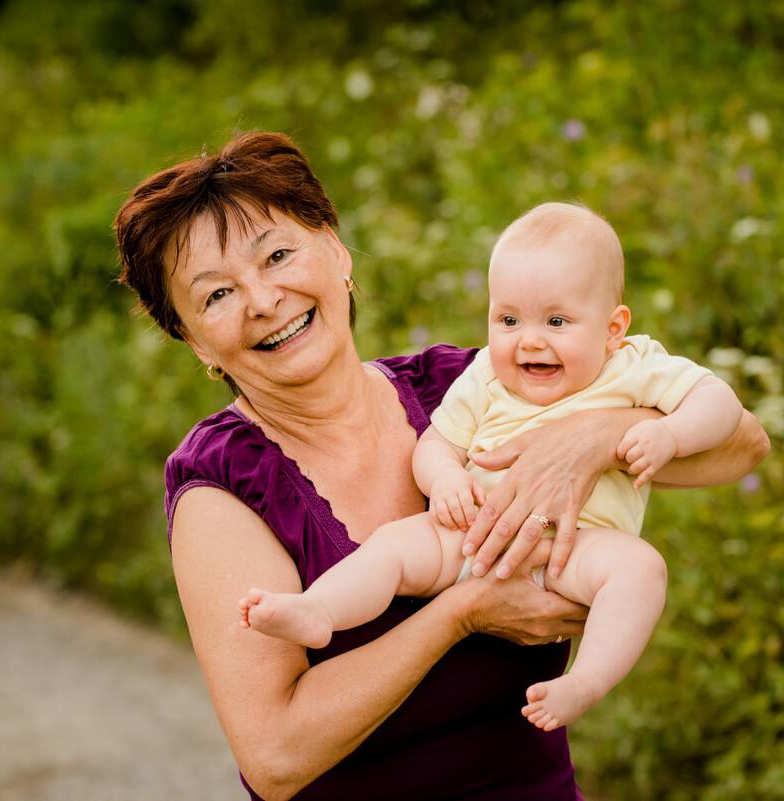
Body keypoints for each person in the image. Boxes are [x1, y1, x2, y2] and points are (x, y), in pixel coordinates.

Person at [113, 130, 771, 801]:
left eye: (277, 254)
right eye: (216, 295)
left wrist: (600, 433)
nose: (261, 299)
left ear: (336, 251)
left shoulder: (469, 388)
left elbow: (742, 445)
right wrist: (464, 610)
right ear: (196, 342)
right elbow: (276, 758)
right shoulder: (223, 481)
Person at [238, 202, 745, 732]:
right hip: (472, 539)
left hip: (574, 552)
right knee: (392, 547)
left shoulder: (634, 367)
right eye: (508, 320)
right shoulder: (486, 376)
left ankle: (586, 682)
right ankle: (319, 610)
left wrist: (668, 433)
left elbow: (721, 403)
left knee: (640, 570)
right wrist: (448, 478)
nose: (529, 339)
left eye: (556, 321)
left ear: (613, 328)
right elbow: (436, 443)